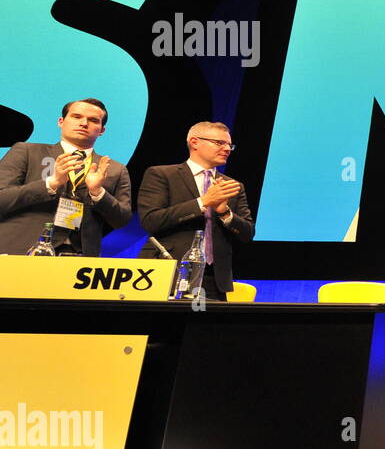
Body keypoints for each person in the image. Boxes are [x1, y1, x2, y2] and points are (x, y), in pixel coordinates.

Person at [137, 122, 253, 301]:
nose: (227, 149)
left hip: (212, 278)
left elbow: (247, 233)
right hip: (167, 271)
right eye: (219, 143)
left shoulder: (232, 186)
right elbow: (151, 221)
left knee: (203, 329)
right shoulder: (162, 175)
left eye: (230, 145)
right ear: (194, 142)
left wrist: (224, 213)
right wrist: (203, 202)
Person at [0, 98, 132, 256]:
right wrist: (51, 183)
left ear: (102, 130)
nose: (84, 123)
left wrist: (98, 193)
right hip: (22, 251)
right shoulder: (27, 152)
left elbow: (122, 220)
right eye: (76, 117)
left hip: (80, 258)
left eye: (93, 120)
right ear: (61, 121)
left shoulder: (114, 169)